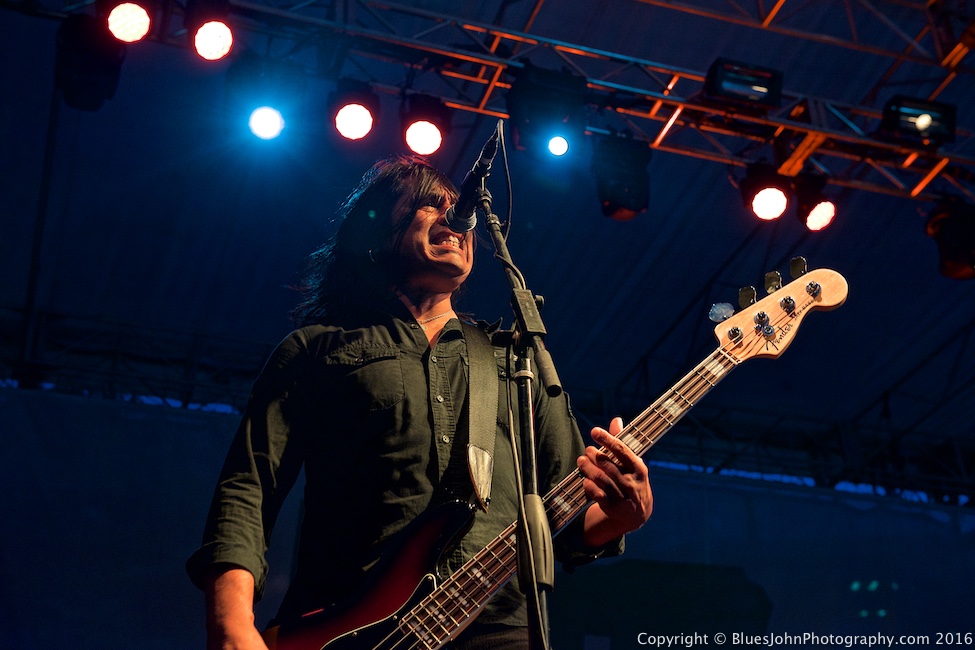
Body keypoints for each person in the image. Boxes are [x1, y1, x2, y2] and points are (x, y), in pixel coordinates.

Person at [186, 155, 653, 650]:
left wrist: (624, 514)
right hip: (346, 628)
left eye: (460, 211)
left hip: (498, 631)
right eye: (430, 206)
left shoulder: (517, 361)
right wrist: (231, 623)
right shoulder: (316, 350)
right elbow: (248, 489)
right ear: (377, 231)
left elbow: (571, 521)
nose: (455, 220)